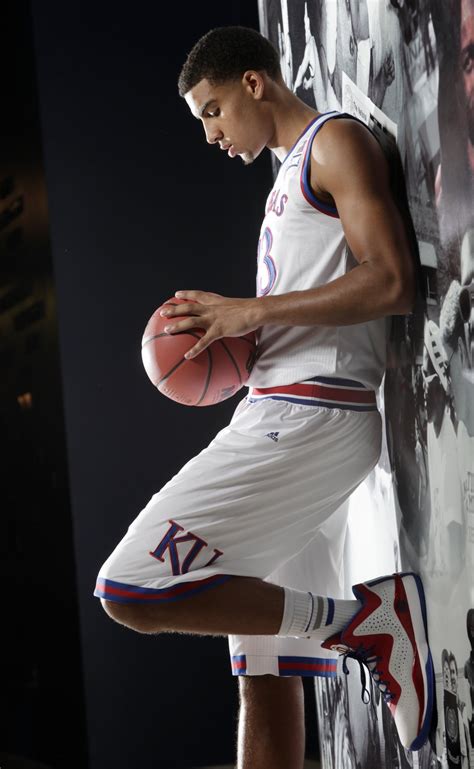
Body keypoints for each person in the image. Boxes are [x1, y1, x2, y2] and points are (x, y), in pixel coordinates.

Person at [94, 26, 434, 768]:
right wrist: (240, 345)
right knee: (268, 677)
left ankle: (369, 623)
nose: (210, 133)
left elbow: (392, 282)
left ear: (254, 83)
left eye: (212, 110)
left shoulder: (334, 144)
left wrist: (250, 313)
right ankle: (360, 626)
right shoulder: (285, 178)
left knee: (128, 588)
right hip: (285, 410)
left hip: (308, 419)